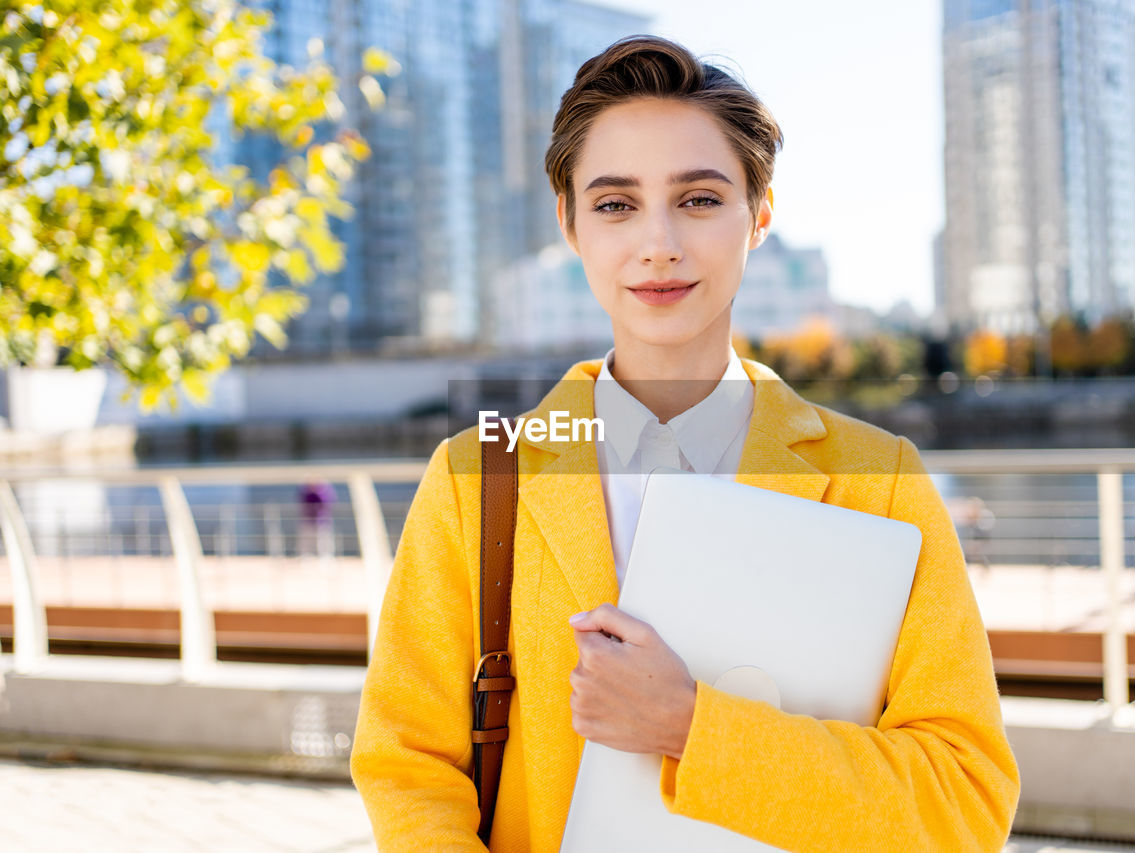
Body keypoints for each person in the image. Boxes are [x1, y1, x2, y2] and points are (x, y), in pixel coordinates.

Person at [351, 35, 1019, 851]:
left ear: (759, 214)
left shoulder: (877, 480)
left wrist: (692, 725)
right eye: (615, 203)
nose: (658, 242)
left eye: (700, 199)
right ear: (569, 224)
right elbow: (407, 767)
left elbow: (965, 802)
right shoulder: (475, 479)